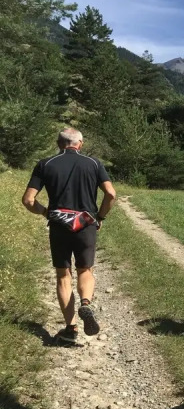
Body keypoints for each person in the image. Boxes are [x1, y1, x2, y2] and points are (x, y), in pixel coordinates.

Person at [22, 128, 116, 344]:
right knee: (85, 269)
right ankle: (86, 303)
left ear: (58, 143)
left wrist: (46, 212)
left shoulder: (45, 164)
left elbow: (28, 200)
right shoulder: (94, 163)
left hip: (59, 226)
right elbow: (111, 194)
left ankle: (70, 328)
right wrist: (100, 217)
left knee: (63, 276)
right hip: (85, 224)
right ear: (80, 144)